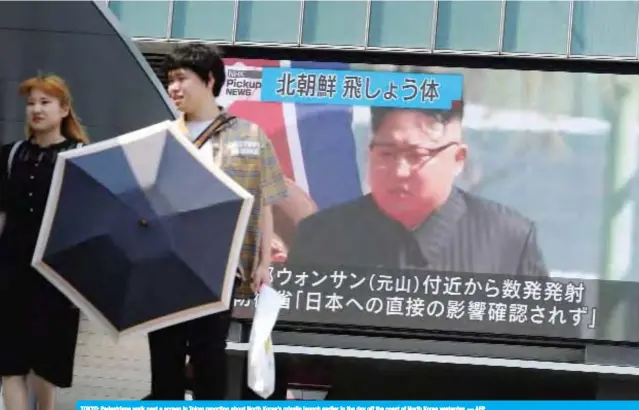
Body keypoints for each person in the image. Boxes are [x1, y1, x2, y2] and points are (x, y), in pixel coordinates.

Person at [147, 43, 288, 400]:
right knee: (165, 361)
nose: (174, 87)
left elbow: (266, 201)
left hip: (219, 265)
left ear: (210, 80)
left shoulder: (251, 136)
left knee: (209, 357)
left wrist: (263, 262)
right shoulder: (163, 137)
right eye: (169, 80)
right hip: (165, 265)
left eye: (182, 78)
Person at [287, 104, 549, 277]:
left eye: (416, 156)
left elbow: (549, 349)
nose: (399, 171)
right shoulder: (320, 236)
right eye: (386, 154)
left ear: (458, 158)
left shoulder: (509, 240)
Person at [0, 74, 88, 410]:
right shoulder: (10, 155)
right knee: (9, 366)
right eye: (31, 103)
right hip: (10, 272)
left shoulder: (81, 156)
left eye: (45, 102)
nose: (36, 109)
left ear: (64, 109)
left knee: (45, 367)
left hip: (57, 274)